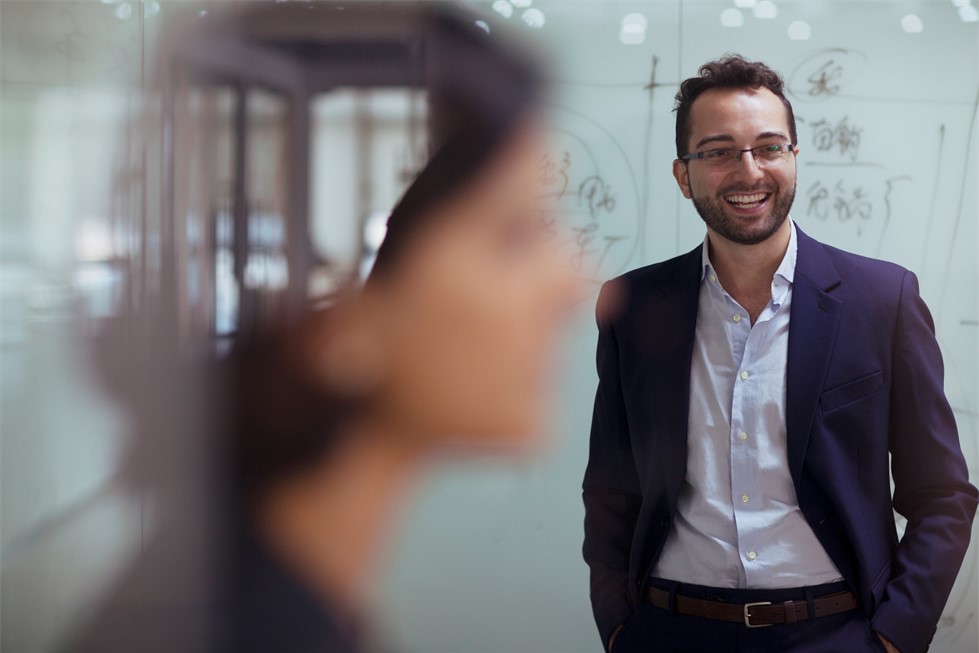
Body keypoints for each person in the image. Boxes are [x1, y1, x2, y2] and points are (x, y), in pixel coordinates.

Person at [67, 4, 574, 652]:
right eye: (514, 236)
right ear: (338, 314)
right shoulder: (246, 629)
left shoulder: (261, 590)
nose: (572, 284)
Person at [582, 55, 977, 653]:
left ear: (794, 158)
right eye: (718, 151)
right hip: (669, 630)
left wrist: (895, 636)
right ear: (683, 175)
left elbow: (943, 494)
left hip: (836, 632)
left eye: (769, 147)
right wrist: (619, 627)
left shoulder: (881, 300)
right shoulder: (633, 306)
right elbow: (611, 487)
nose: (749, 171)